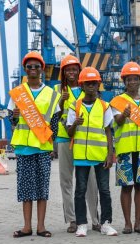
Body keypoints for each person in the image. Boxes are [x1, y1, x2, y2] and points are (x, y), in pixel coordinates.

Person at [9, 51, 61, 238]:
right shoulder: (18, 93)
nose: (33, 69)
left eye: (36, 66)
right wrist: (13, 118)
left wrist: (51, 143)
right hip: (23, 147)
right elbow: (13, 122)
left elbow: (55, 121)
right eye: (29, 67)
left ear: (42, 69)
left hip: (42, 147)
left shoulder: (51, 94)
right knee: (25, 188)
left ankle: (41, 226)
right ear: (25, 69)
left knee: (41, 187)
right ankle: (26, 227)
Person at [66, 67, 117, 237]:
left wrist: (110, 154)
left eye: (94, 83)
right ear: (82, 85)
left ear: (98, 85)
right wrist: (75, 124)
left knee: (104, 190)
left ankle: (106, 223)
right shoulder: (75, 106)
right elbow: (69, 132)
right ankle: (82, 224)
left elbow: (109, 131)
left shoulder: (104, 106)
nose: (91, 86)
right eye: (87, 83)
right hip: (81, 156)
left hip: (100, 155)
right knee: (80, 191)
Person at [110, 62, 140, 234]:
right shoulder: (117, 101)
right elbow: (117, 122)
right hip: (125, 150)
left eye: (135, 79)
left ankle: (138, 223)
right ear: (124, 81)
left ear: (139, 81)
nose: (132, 82)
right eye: (129, 79)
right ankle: (127, 223)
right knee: (126, 187)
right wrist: (123, 115)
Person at [55, 55, 100, 233]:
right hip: (65, 140)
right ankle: (72, 220)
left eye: (74, 69)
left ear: (79, 71)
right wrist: (60, 101)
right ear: (63, 73)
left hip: (84, 140)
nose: (71, 72)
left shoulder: (86, 90)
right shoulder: (57, 91)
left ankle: (95, 220)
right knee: (66, 181)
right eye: (68, 69)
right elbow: (53, 118)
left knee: (91, 182)